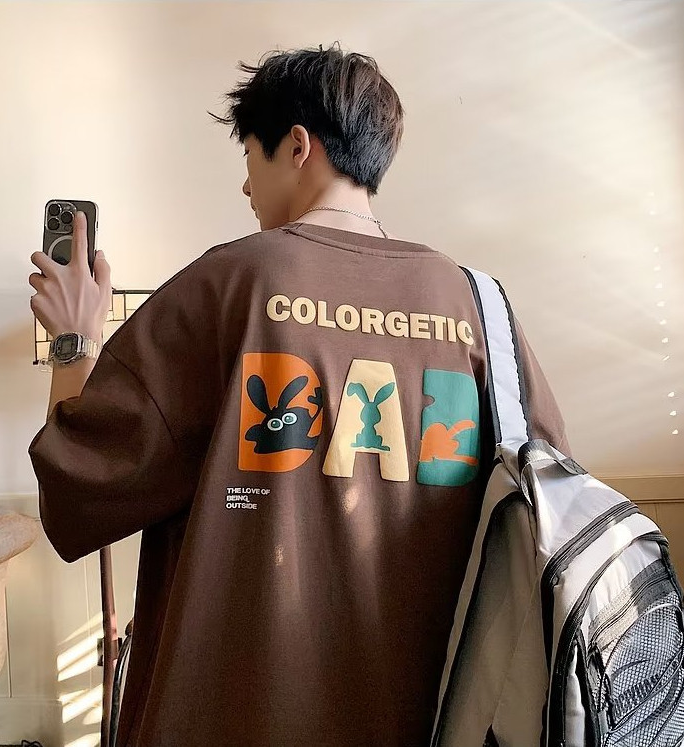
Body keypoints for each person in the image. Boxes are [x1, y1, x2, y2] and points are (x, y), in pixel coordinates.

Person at [28, 42, 571, 747]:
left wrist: (75, 339)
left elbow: (78, 488)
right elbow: (547, 513)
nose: (246, 187)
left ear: (296, 145)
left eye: (250, 158)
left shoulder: (229, 286)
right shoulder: (481, 308)